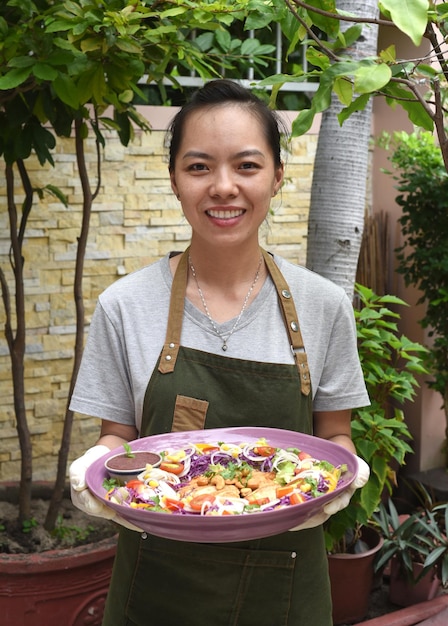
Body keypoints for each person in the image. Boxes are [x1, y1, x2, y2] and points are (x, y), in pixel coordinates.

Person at [69, 78, 370, 626]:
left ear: (277, 177)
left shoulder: (323, 307)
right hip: (156, 586)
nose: (223, 187)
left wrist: (340, 477)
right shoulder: (125, 305)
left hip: (285, 587)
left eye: (247, 166)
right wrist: (98, 464)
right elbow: (118, 439)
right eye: (200, 166)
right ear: (175, 181)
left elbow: (333, 435)